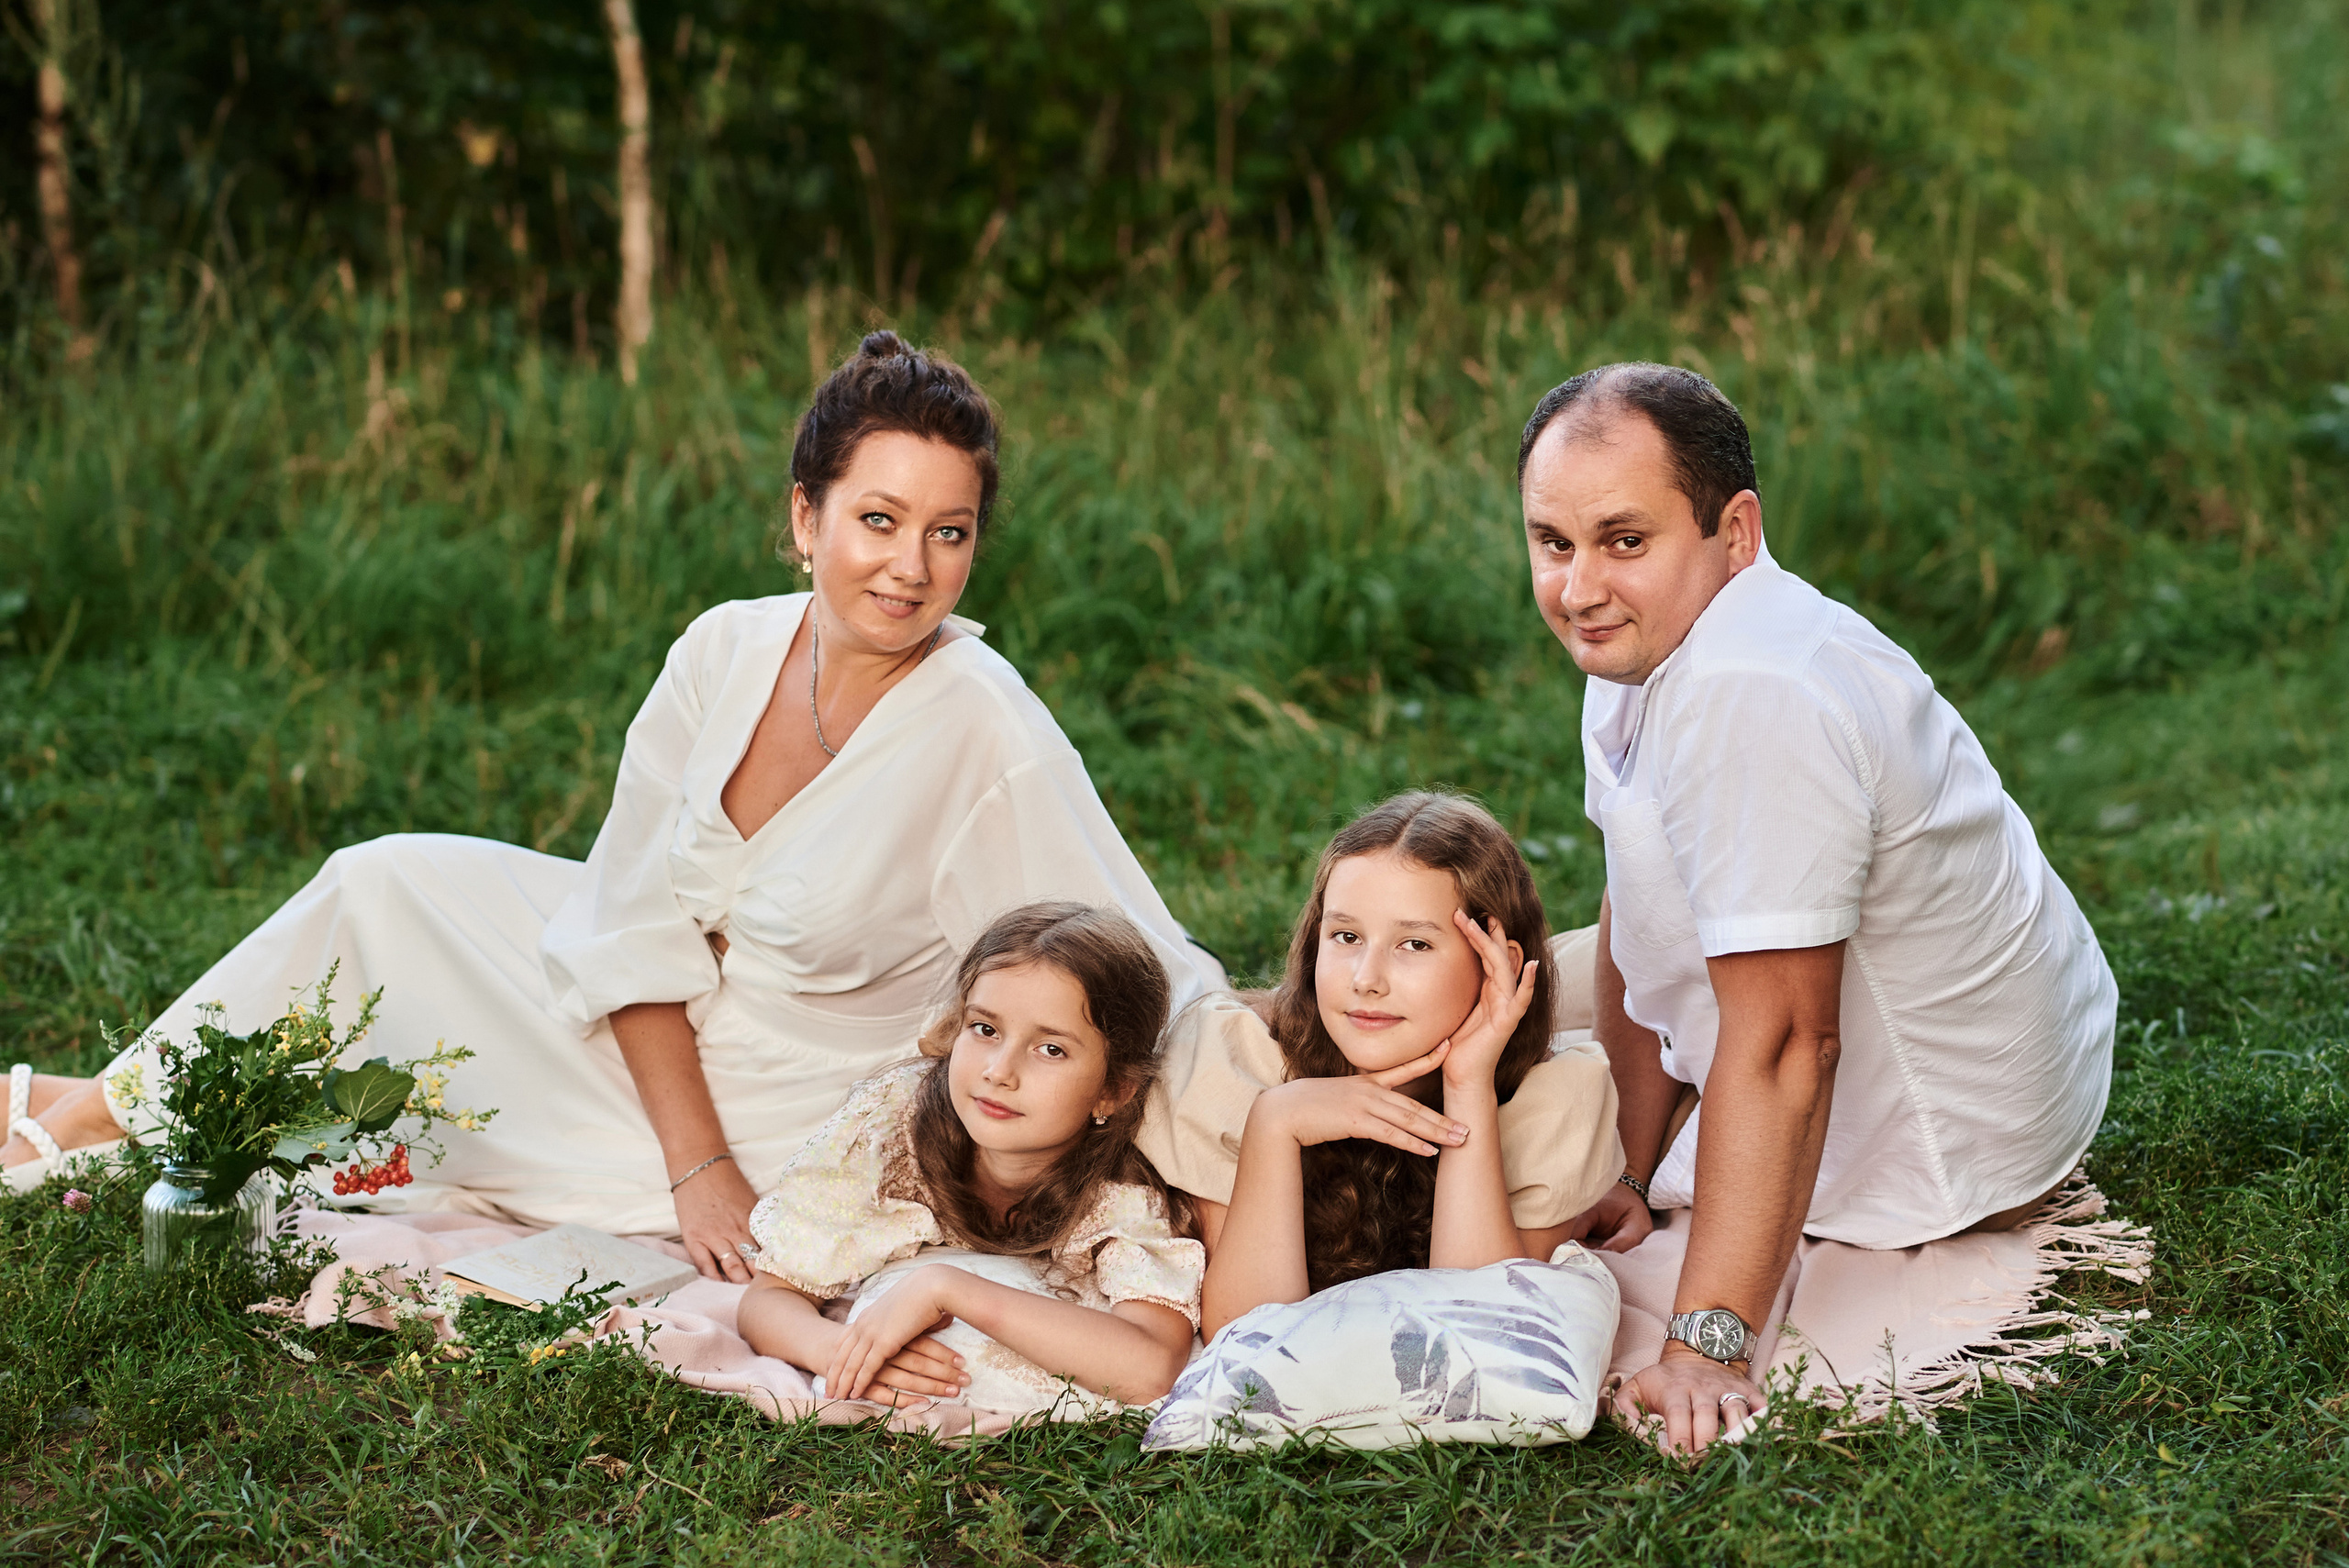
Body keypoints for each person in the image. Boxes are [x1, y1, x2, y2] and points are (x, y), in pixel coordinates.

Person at [6, 333, 1225, 1284]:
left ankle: (89, 1124)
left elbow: (1149, 962)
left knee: (421, 1110)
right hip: (647, 1029)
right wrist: (689, 1156)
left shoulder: (982, 722)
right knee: (382, 880)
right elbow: (627, 912)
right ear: (806, 519)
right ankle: (82, 1121)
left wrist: (1287, 1102)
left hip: (783, 1105)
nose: (910, 567)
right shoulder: (723, 650)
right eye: (878, 520)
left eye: (948, 533)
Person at [1518, 362, 2117, 1455]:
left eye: (1622, 539)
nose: (1578, 587)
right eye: (1553, 543)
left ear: (1733, 530)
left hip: (1954, 1133)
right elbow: (1635, 901)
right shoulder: (1644, 643)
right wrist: (1626, 1170)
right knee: (1471, 976)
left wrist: (1705, 1342)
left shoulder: (1760, 691)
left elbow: (1794, 1038)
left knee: (1469, 1024)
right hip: (1870, 1012)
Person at [1142, 792, 1625, 1339]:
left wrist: (1469, 1085)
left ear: (1497, 965)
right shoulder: (1234, 1058)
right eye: (1345, 937)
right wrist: (1276, 1124)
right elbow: (1246, 1334)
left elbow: (1479, 1328)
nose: (1366, 978)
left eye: (1414, 944)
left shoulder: (1557, 1098)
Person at [739, 902, 1200, 1411]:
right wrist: (844, 1353)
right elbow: (769, 1299)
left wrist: (947, 1288)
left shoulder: (1121, 1183)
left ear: (1112, 1091)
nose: (999, 1071)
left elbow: (1152, 1368)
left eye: (1051, 1049)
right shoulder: (891, 1127)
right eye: (985, 1029)